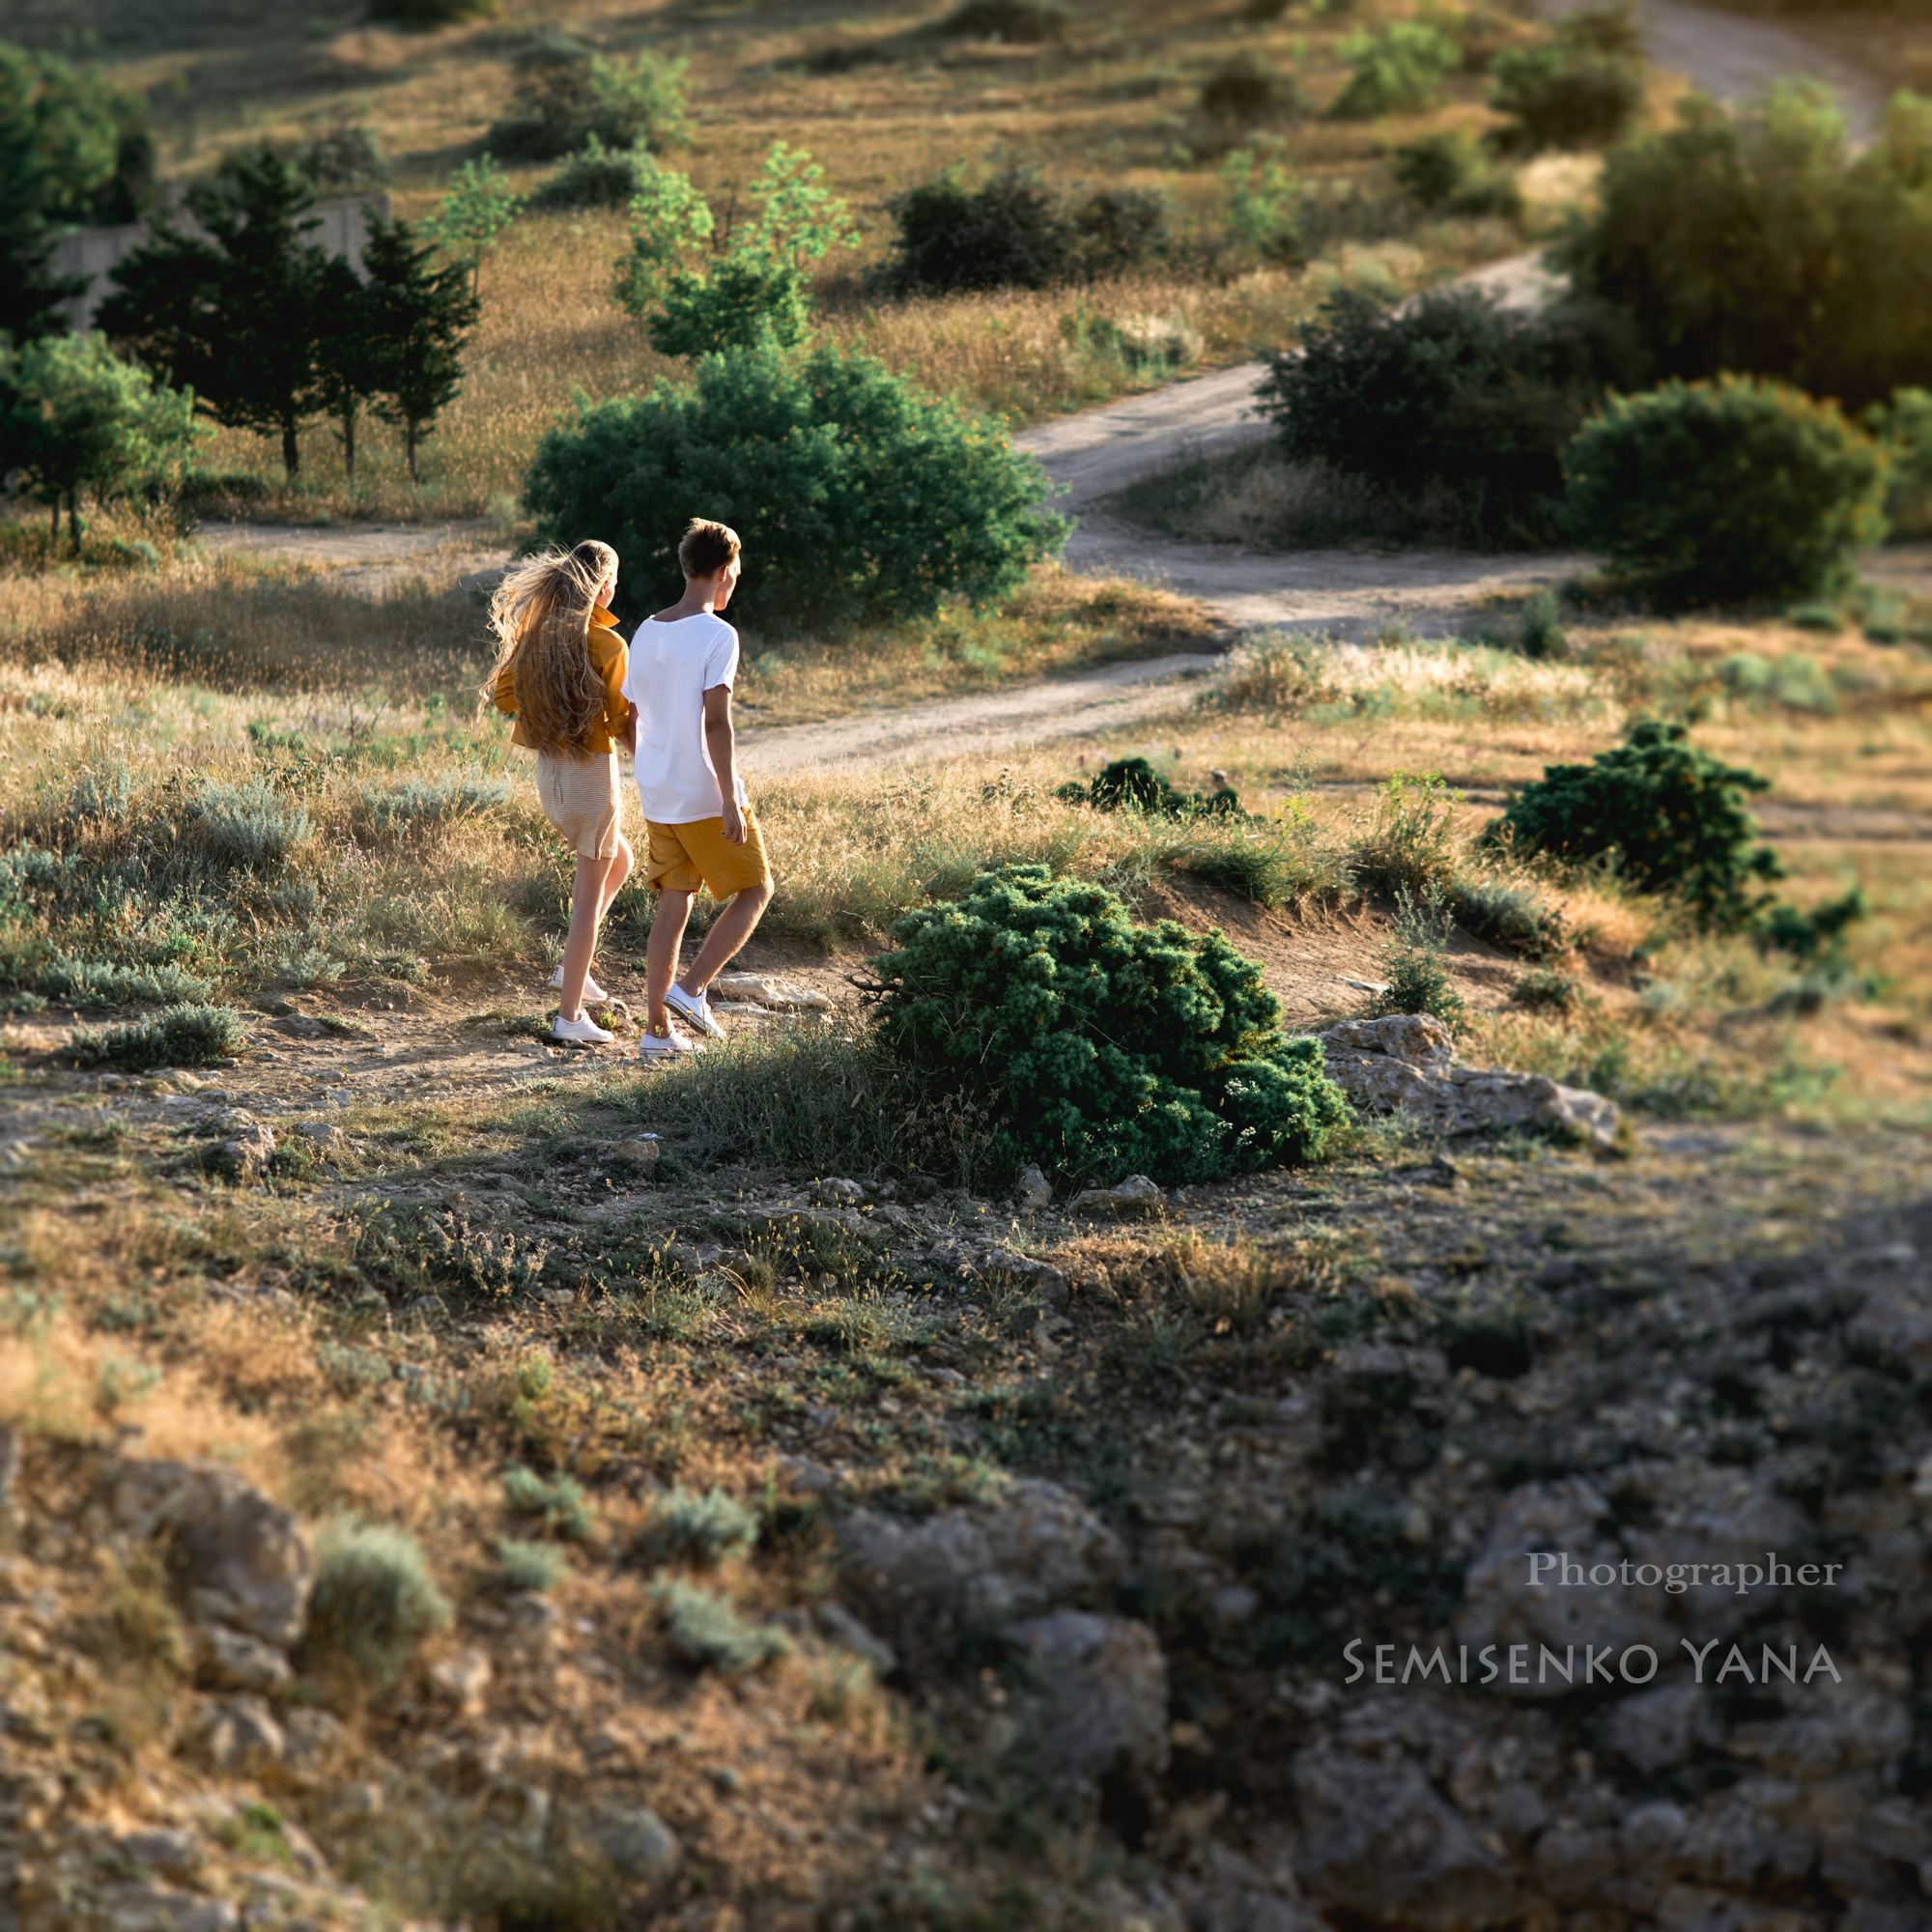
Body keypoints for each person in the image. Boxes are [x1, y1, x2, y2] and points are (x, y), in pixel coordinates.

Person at [622, 518, 774, 1057]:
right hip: (704, 794)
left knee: (674, 904)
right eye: (737, 574)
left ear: (688, 567)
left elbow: (631, 716)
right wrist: (730, 796)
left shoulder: (645, 629)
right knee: (756, 890)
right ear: (725, 572)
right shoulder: (718, 634)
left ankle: (656, 1033)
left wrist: (653, 767)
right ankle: (691, 991)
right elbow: (717, 723)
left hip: (658, 793)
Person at [485, 539, 634, 1045]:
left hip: (551, 776)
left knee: (622, 862)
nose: (617, 587)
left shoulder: (537, 639)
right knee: (588, 896)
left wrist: (550, 710)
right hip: (593, 778)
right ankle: (569, 1016)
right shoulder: (609, 645)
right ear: (602, 586)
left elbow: (505, 693)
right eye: (614, 579)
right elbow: (620, 717)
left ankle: (571, 970)